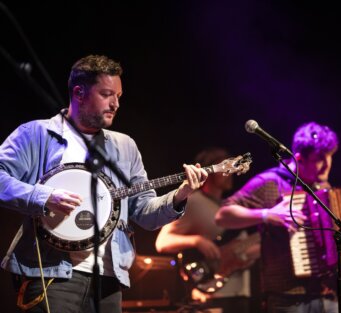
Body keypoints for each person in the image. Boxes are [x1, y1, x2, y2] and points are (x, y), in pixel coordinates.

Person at [0, 54, 208, 313]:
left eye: (119, 96)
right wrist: (43, 196)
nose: (115, 104)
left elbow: (144, 213)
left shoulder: (125, 146)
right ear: (79, 93)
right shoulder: (37, 134)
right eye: (107, 94)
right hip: (52, 276)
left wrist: (179, 196)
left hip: (109, 279)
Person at [214, 121, 341, 313]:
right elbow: (222, 216)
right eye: (320, 159)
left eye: (330, 157)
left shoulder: (323, 188)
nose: (327, 166)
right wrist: (266, 214)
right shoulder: (270, 182)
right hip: (287, 299)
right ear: (299, 158)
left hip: (328, 295)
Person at [156, 147, 260, 313]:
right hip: (210, 296)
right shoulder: (193, 202)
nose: (230, 172)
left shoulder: (231, 206)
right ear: (210, 170)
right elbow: (162, 242)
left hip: (240, 293)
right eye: (225, 167)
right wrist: (196, 241)